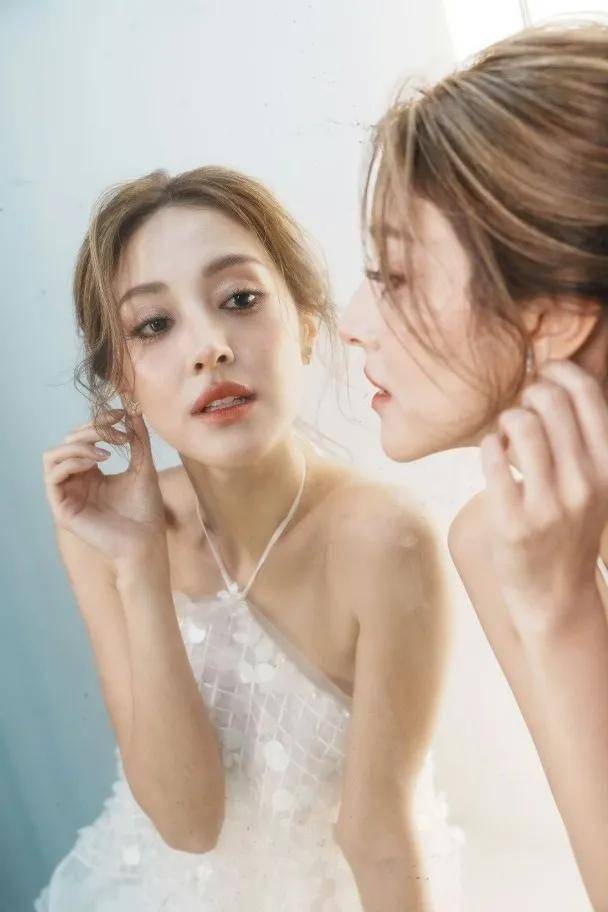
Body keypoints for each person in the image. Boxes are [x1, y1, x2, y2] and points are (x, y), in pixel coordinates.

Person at [36, 166, 464, 912]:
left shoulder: (385, 539)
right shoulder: (103, 536)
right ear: (122, 381)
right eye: (154, 325)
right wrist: (140, 564)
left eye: (239, 300)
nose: (210, 349)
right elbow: (188, 824)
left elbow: (379, 839)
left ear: (306, 326)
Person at [339, 21, 608, 911]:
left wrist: (563, 616)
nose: (351, 321)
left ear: (553, 320)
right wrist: (557, 610)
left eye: (393, 276)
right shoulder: (496, 544)